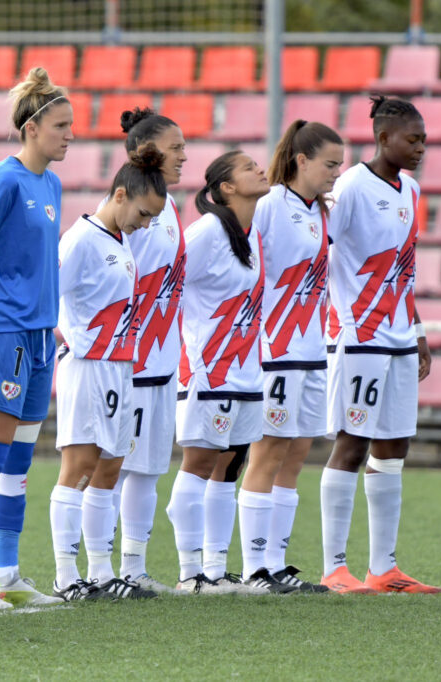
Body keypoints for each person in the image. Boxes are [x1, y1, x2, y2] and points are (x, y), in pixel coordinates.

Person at [0, 67, 72, 610]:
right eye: (61, 126)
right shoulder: (3, 180)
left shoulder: (51, 183)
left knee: (19, 466)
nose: (70, 135)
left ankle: (7, 574)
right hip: (2, 333)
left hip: (41, 336)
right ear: (31, 128)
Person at [320, 96, 441, 595]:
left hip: (397, 336)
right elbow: (320, 257)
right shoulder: (349, 187)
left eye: (424, 140)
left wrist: (417, 332)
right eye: (412, 139)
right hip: (359, 335)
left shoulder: (410, 190)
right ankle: (333, 569)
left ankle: (383, 568)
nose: (420, 148)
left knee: (394, 447)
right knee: (351, 444)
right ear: (384, 137)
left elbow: (403, 271)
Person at [50, 143, 168, 602]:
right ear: (120, 195)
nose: (146, 223)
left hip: (121, 368)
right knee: (79, 466)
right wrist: (69, 340)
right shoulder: (80, 239)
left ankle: (100, 572)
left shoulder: (120, 241)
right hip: (89, 367)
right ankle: (65, 575)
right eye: (143, 212)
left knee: (109, 467)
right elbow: (52, 300)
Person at [237, 120, 343, 594]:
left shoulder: (321, 211)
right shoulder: (270, 206)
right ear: (302, 160)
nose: (337, 172)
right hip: (275, 349)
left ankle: (276, 563)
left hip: (312, 350)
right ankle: (253, 567)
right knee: (268, 451)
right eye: (330, 164)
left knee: (298, 452)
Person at [89, 108, 187, 595]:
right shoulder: (122, 218)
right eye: (175, 148)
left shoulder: (170, 210)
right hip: (127, 363)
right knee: (110, 467)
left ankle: (134, 566)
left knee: (147, 470)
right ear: (141, 153)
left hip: (162, 362)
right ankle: (97, 569)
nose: (183, 157)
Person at [165, 151, 272, 595]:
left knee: (230, 466)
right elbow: (169, 284)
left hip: (246, 372)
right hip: (210, 371)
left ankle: (214, 568)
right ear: (226, 187)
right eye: (248, 167)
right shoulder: (207, 232)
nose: (260, 169)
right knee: (199, 464)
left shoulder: (253, 235)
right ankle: (189, 573)